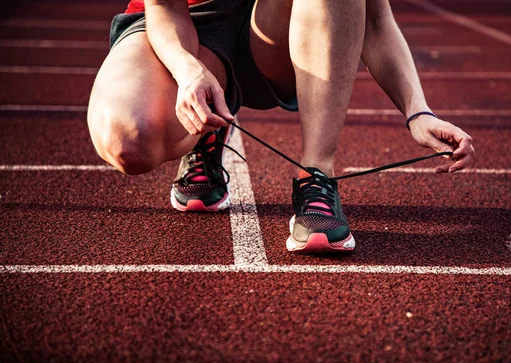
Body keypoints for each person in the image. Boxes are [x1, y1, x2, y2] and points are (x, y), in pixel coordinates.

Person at [87, 0, 476, 254]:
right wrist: (188, 72)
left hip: (277, 26)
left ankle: (316, 175)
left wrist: (417, 110)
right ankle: (206, 125)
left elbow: (375, 21)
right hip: (186, 21)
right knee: (127, 139)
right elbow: (165, 9)